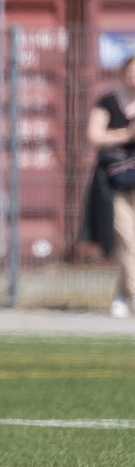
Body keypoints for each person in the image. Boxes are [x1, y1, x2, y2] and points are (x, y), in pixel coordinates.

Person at [82, 54, 135, 317]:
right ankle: (132, 293)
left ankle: (122, 295)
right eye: (130, 72)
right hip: (116, 182)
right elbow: (94, 135)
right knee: (127, 240)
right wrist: (126, 134)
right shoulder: (108, 102)